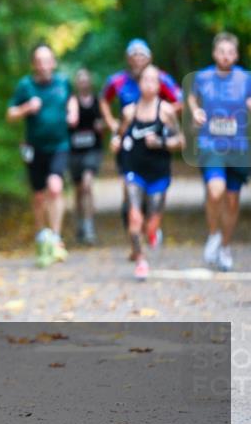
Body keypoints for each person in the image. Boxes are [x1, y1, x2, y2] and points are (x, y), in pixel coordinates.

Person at [99, 38, 183, 246]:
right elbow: (103, 99)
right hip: (129, 144)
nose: (138, 59)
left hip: (155, 146)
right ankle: (134, 236)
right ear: (128, 58)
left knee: (152, 196)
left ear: (149, 57)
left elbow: (180, 101)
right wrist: (113, 125)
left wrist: (164, 117)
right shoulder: (117, 81)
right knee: (131, 193)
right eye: (134, 55)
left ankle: (151, 226)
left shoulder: (161, 78)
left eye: (142, 55)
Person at [7, 43, 78, 267]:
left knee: (55, 187)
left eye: (47, 60)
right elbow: (10, 114)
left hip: (60, 145)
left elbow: (72, 99)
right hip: (34, 148)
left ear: (54, 63)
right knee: (38, 196)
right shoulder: (25, 86)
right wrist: (26, 108)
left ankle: (55, 238)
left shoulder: (63, 82)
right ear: (33, 65)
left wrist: (73, 112)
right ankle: (41, 235)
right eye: (39, 61)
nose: (44, 65)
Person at [111, 65, 185, 281]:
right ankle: (141, 259)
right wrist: (115, 142)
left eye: (153, 81)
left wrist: (160, 142)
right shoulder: (129, 111)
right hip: (134, 170)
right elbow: (118, 135)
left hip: (159, 172)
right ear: (139, 84)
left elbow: (180, 141)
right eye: (145, 80)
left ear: (159, 85)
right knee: (134, 215)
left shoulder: (166, 111)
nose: (149, 85)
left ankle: (152, 232)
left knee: (152, 220)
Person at [188, 32, 251, 272]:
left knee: (233, 201)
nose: (225, 56)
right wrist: (195, 111)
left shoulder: (245, 79)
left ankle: (225, 246)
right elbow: (192, 98)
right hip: (211, 143)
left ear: (236, 55)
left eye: (230, 52)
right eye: (221, 52)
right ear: (215, 53)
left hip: (237, 147)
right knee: (216, 192)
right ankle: (213, 234)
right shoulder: (202, 77)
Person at [68, 68, 104, 245]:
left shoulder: (98, 101)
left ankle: (89, 227)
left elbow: (106, 121)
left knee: (87, 185)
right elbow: (64, 124)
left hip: (92, 150)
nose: (83, 82)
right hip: (74, 151)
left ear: (90, 82)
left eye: (85, 79)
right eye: (79, 79)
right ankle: (80, 224)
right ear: (76, 83)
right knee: (78, 190)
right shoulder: (71, 101)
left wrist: (101, 125)